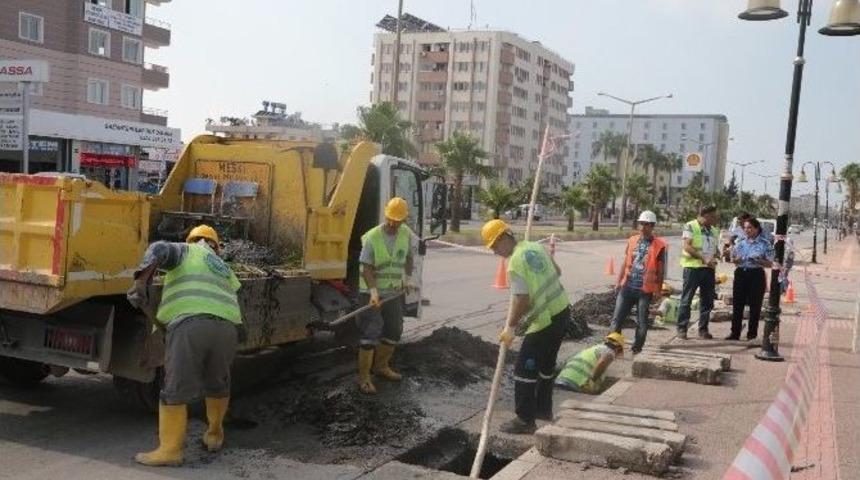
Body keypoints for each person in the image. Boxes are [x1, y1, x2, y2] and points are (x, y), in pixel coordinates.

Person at [127, 225, 242, 466]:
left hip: (191, 326)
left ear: (192, 239)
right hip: (226, 329)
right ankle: (214, 435)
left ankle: (170, 451)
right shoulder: (224, 267)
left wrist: (140, 282)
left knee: (175, 389)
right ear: (216, 246)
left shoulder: (187, 250)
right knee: (217, 384)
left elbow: (158, 249)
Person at [482, 219, 570, 434]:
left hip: (544, 322)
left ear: (504, 238)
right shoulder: (535, 247)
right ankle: (543, 410)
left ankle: (524, 420)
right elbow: (558, 271)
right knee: (546, 366)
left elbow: (522, 299)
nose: (495, 252)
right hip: (562, 312)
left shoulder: (515, 263)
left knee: (524, 369)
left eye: (494, 246)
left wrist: (511, 328)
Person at [356, 197, 417, 395]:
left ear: (403, 220)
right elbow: (366, 268)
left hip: (393, 292)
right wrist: (373, 292)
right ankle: (364, 378)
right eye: (390, 219)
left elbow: (409, 258)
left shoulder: (406, 234)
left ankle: (381, 366)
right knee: (371, 332)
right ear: (385, 214)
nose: (392, 223)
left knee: (394, 329)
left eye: (397, 220)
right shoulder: (372, 237)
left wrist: (407, 279)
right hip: (371, 293)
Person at [609, 211, 667, 354]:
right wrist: (618, 281)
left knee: (642, 322)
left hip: (644, 290)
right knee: (617, 319)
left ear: (652, 226)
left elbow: (660, 271)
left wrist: (658, 290)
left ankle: (637, 349)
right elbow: (625, 261)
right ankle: (614, 347)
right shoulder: (632, 240)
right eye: (641, 223)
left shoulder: (659, 246)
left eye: (646, 224)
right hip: (627, 286)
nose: (642, 227)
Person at [727, 218, 775, 341]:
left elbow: (770, 263)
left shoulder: (765, 244)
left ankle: (752, 334)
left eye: (750, 228)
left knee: (755, 305)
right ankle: (735, 333)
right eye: (745, 228)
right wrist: (736, 260)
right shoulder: (740, 242)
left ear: (757, 229)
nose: (747, 230)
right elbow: (734, 260)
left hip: (756, 274)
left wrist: (760, 261)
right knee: (738, 304)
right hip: (741, 274)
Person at [677, 205, 720, 340]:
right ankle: (682, 329)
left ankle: (703, 330)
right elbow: (687, 246)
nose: (715, 219)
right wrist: (703, 258)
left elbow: (714, 249)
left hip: (708, 270)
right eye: (713, 216)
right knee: (687, 299)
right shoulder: (690, 226)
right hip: (693, 268)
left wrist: (718, 254)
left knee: (707, 301)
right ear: (706, 215)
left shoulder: (714, 230)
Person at [555, 333, 625, 394]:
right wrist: (592, 381)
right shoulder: (610, 352)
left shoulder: (596, 348)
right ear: (618, 348)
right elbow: (602, 363)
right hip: (576, 383)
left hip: (561, 379)